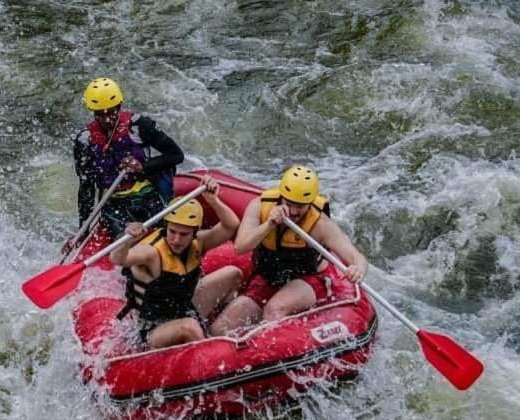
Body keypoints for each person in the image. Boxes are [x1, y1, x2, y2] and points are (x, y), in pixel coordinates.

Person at [210, 165, 368, 335]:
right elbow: (241, 247)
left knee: (274, 309)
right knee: (220, 329)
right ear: (282, 196)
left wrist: (358, 269)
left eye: (300, 206)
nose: (293, 211)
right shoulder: (259, 206)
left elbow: (356, 257)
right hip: (269, 277)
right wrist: (269, 224)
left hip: (308, 279)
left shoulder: (320, 224)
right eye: (290, 204)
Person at [110, 176, 243, 349]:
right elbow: (117, 259)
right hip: (151, 327)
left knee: (233, 273)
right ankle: (212, 354)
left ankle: (219, 331)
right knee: (189, 327)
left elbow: (231, 225)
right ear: (166, 226)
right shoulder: (151, 252)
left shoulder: (199, 242)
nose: (176, 239)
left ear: (195, 232)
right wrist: (127, 240)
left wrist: (212, 199)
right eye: (172, 231)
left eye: (184, 234)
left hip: (183, 309)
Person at [64, 77, 185, 251]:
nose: (106, 120)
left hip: (148, 193)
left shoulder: (140, 126)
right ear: (93, 111)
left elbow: (176, 155)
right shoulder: (85, 141)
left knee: (164, 239)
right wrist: (82, 232)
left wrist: (142, 167)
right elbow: (86, 187)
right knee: (124, 244)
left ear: (119, 106)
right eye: (100, 114)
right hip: (114, 202)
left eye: (111, 112)